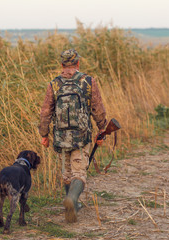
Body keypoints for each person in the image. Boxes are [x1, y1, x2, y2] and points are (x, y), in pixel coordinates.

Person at [39, 49, 107, 223]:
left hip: (61, 137)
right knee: (79, 172)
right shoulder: (88, 81)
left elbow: (46, 111)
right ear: (77, 64)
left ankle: (72, 205)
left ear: (61, 65)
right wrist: (102, 129)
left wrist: (44, 134)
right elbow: (97, 109)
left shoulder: (54, 84)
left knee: (66, 173)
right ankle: (72, 200)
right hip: (81, 136)